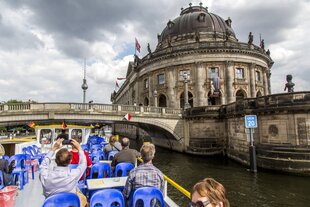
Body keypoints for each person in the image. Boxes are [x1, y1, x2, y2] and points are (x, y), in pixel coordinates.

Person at [39, 138, 88, 207]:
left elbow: (43, 165)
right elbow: (83, 164)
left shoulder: (46, 176)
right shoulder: (73, 174)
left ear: (55, 160)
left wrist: (54, 148)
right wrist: (79, 148)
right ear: (70, 161)